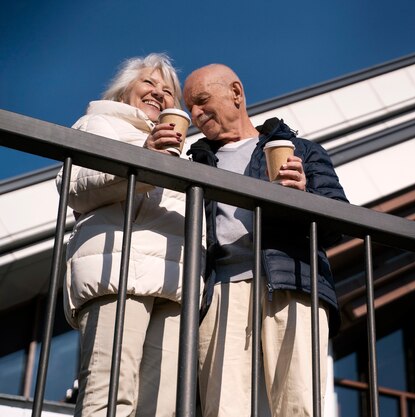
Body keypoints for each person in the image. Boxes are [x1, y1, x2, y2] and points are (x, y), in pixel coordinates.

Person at [184, 64, 349, 417]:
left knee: (297, 403)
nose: (194, 115)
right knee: (222, 408)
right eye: (189, 109)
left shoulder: (300, 149)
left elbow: (338, 223)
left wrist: (303, 195)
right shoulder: (194, 165)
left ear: (236, 93)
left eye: (200, 101)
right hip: (220, 292)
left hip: (292, 280)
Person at [56, 53, 203, 417]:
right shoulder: (99, 123)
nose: (159, 94)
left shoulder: (182, 152)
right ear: (125, 91)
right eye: (149, 83)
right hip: (116, 272)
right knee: (109, 395)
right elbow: (76, 186)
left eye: (168, 91)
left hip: (175, 286)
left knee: (162, 407)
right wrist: (144, 158)